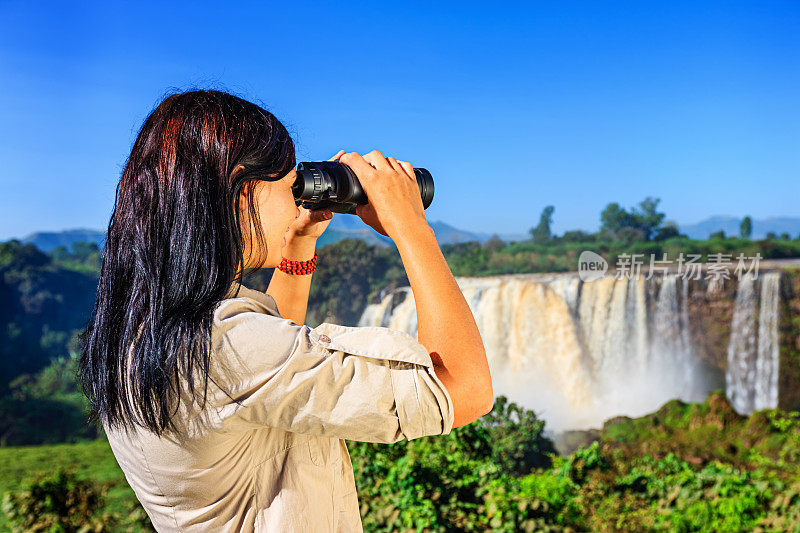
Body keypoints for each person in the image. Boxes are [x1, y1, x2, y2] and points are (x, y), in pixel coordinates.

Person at [79, 89, 493, 532]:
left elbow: (272, 360)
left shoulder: (146, 326)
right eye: (287, 185)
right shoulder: (224, 347)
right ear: (242, 190)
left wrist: (299, 242)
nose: (296, 199)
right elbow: (465, 388)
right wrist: (410, 225)